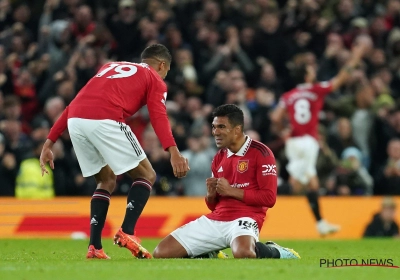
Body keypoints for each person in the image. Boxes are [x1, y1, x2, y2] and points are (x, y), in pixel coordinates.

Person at [39, 44, 190, 259]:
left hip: (76, 121)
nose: (165, 75)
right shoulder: (155, 79)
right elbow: (158, 116)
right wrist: (173, 151)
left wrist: (49, 142)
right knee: (147, 174)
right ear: (162, 65)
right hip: (105, 119)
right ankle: (127, 232)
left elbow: (74, 103)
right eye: (166, 71)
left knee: (106, 180)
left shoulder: (110, 66)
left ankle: (95, 247)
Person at [153, 104, 300, 259]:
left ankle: (278, 252)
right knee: (161, 253)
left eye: (221, 127)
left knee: (243, 253)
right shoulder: (218, 157)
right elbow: (213, 206)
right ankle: (210, 253)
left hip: (246, 219)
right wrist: (210, 195)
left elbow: (269, 199)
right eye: (214, 127)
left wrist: (230, 190)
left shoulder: (261, 153)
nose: (215, 132)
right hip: (217, 219)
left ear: (237, 130)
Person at [271, 37, 371, 236]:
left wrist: (283, 130)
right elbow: (341, 79)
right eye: (311, 70)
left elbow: (275, 117)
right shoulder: (315, 90)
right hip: (307, 141)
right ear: (307, 76)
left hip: (293, 142)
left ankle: (320, 223)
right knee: (299, 185)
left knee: (309, 182)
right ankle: (255, 207)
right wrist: (356, 56)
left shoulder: (288, 96)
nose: (314, 72)